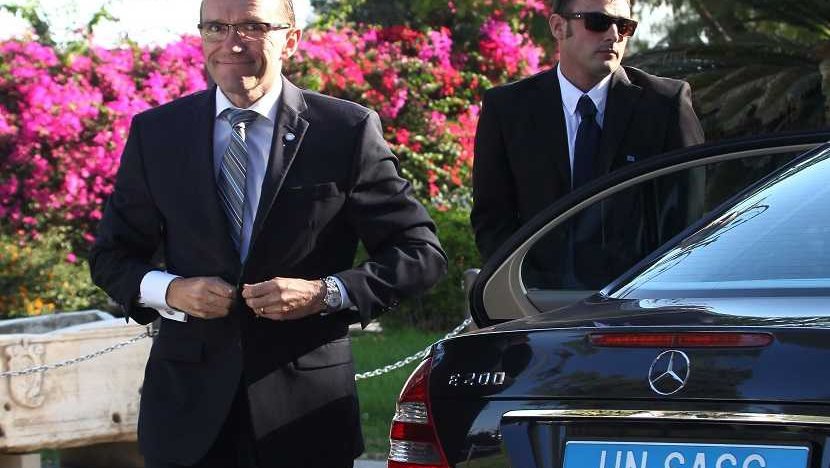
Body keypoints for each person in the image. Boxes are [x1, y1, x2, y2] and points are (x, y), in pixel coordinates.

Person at [88, 0, 447, 466]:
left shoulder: (346, 130)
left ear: (291, 40)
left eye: (252, 27)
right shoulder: (157, 133)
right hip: (185, 418)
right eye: (216, 27)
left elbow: (419, 253)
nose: (231, 43)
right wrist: (172, 291)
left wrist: (325, 293)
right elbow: (111, 257)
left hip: (305, 417)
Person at [471, 0, 705, 268]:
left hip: (637, 289)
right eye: (599, 22)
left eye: (624, 26)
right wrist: (525, 284)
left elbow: (686, 221)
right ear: (558, 27)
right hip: (535, 290)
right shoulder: (508, 108)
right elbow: (492, 220)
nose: (613, 35)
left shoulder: (664, 105)